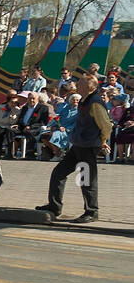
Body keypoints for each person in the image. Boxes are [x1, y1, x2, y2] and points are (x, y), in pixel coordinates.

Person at [37, 70, 111, 223]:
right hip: (78, 144)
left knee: (86, 179)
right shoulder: (85, 100)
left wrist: (102, 142)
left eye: (81, 83)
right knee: (58, 173)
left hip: (88, 146)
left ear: (90, 87)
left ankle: (91, 212)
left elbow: (105, 125)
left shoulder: (95, 101)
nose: (77, 85)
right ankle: (54, 207)